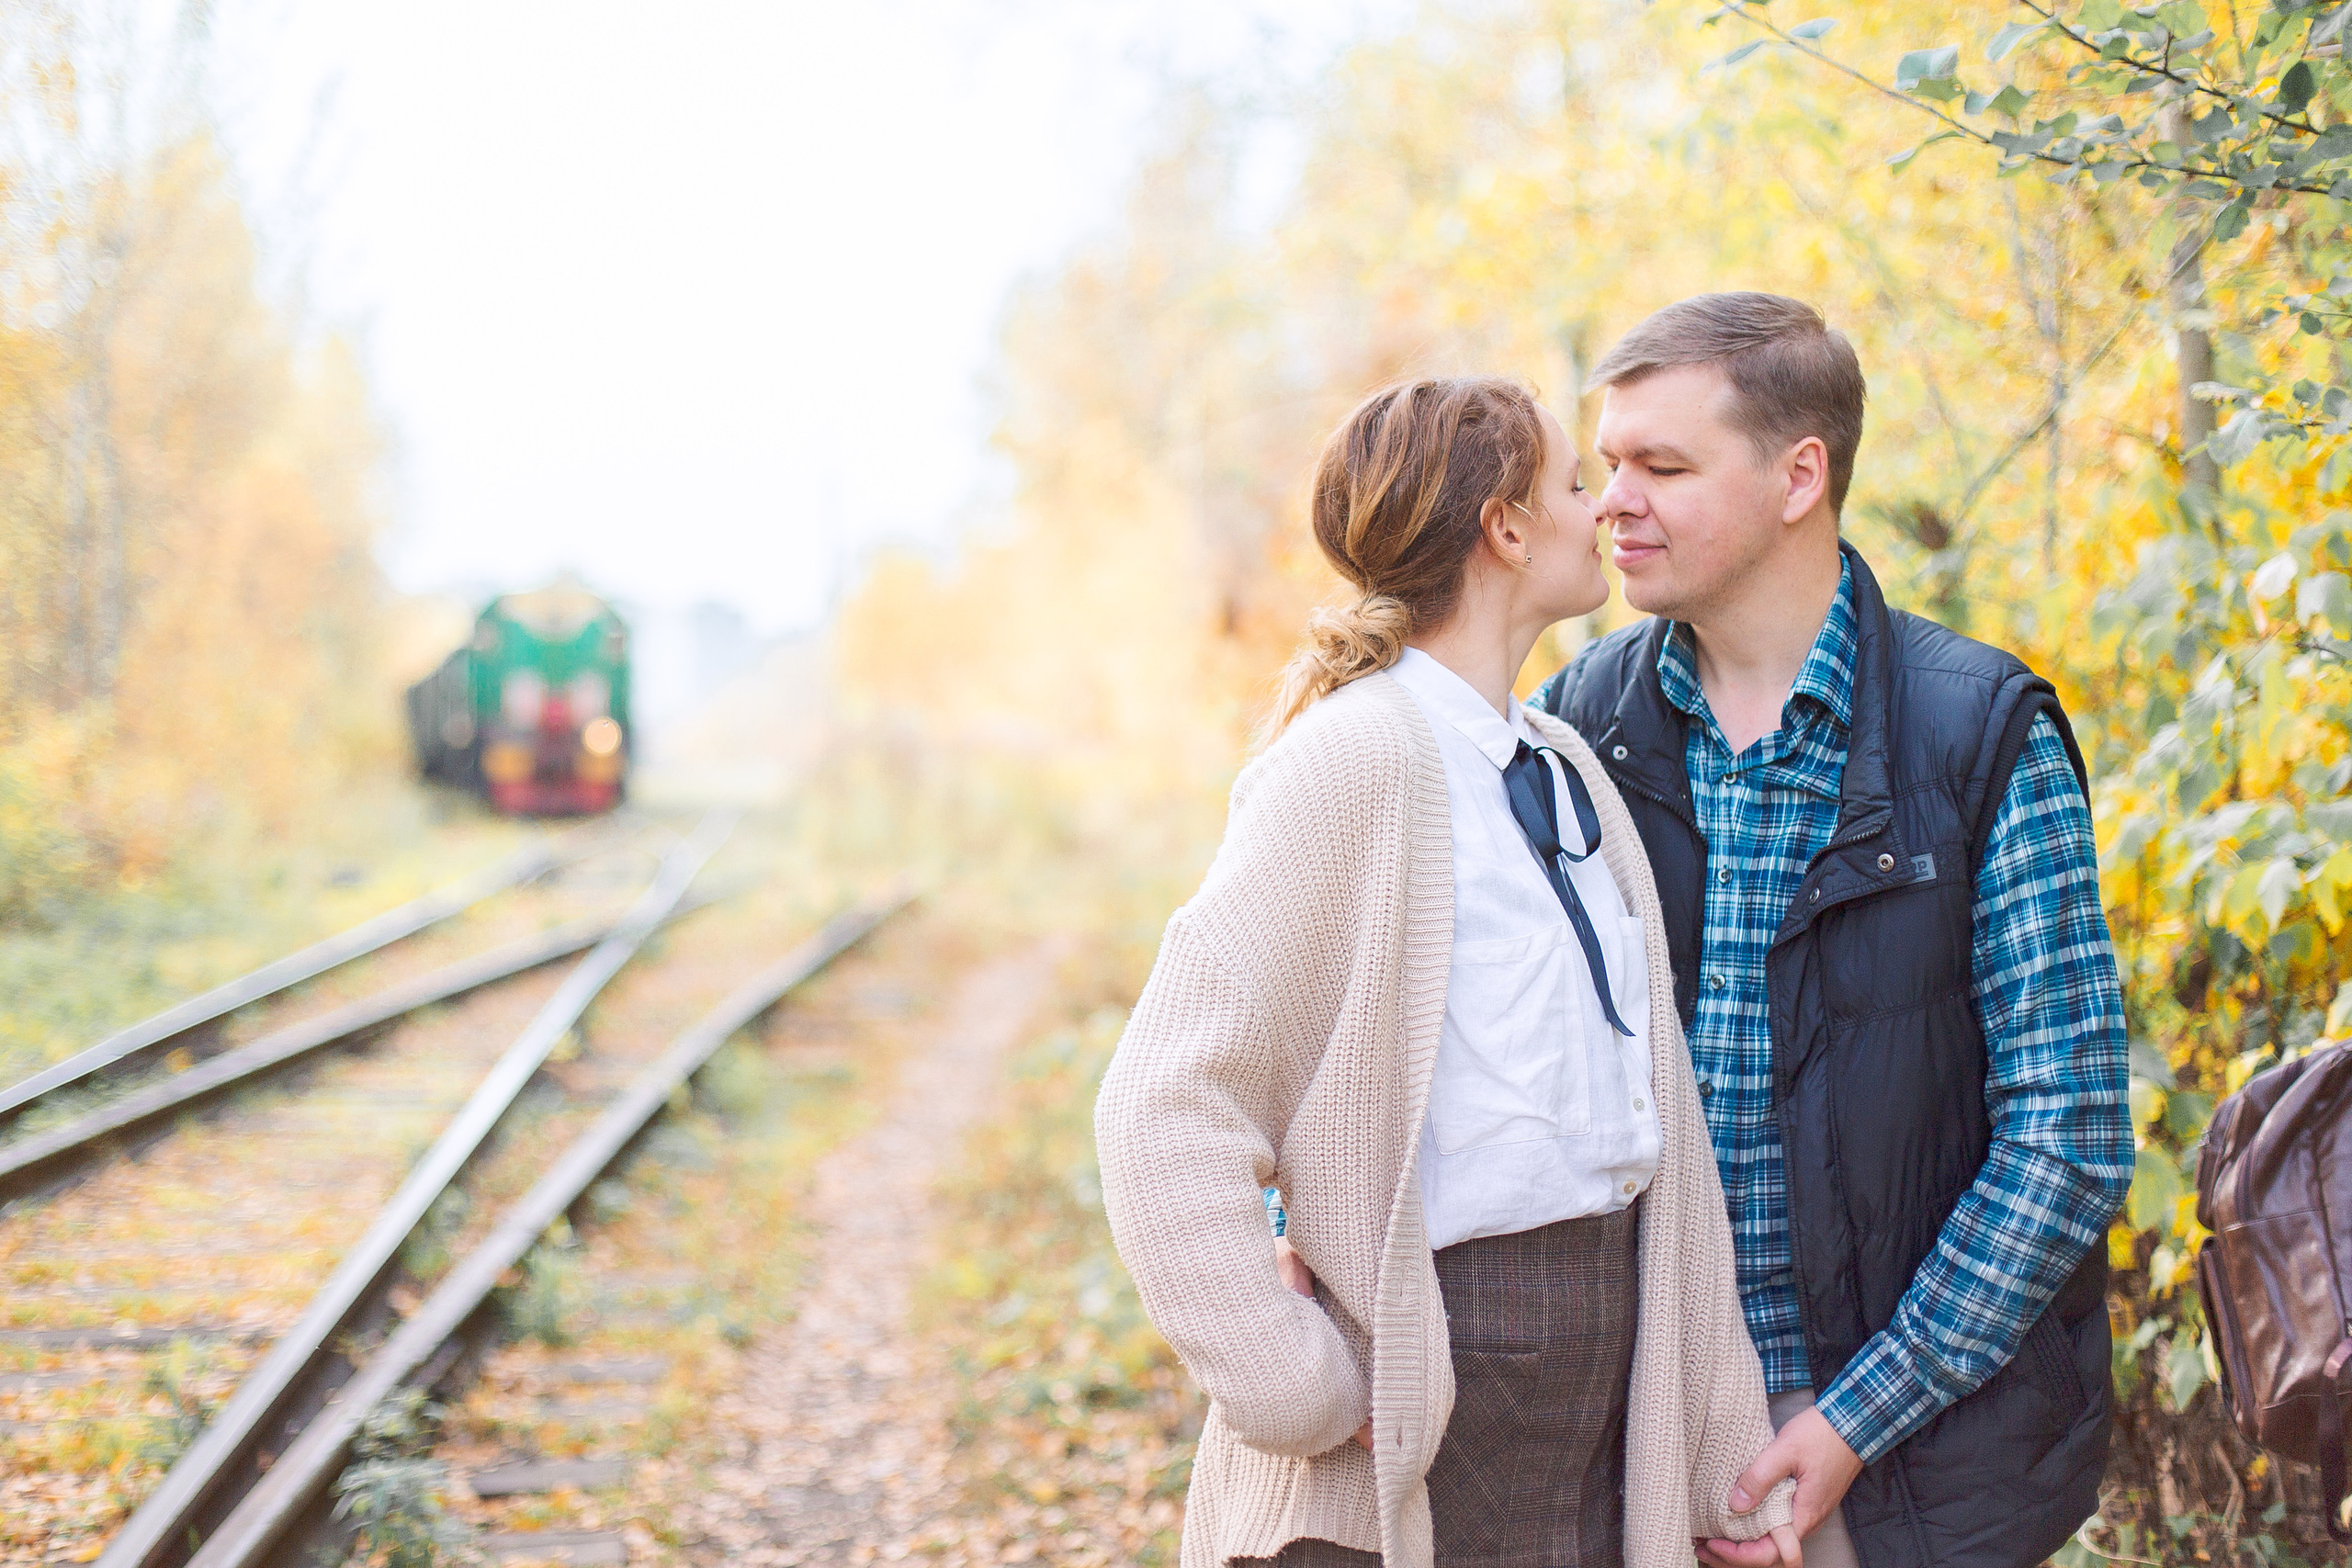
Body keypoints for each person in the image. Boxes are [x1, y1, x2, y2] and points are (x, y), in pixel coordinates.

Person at [1095, 377, 1801, 1568]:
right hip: (1436, 1379)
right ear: (1506, 529)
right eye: (1574, 484)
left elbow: (1659, 1134)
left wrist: (1717, 1456)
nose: (1603, 508)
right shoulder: (1352, 762)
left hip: (1596, 1383)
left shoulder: (1565, 767)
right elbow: (1162, 1106)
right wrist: (1298, 1386)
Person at [1532, 294, 2133, 1568]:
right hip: (1639, 1431)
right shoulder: (1580, 725)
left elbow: (2069, 1133)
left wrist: (1855, 1419)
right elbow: (1456, 1026)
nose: (1611, 504)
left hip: (1916, 1448)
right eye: (1608, 464)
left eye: (1663, 467)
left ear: (1800, 476)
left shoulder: (1978, 733)